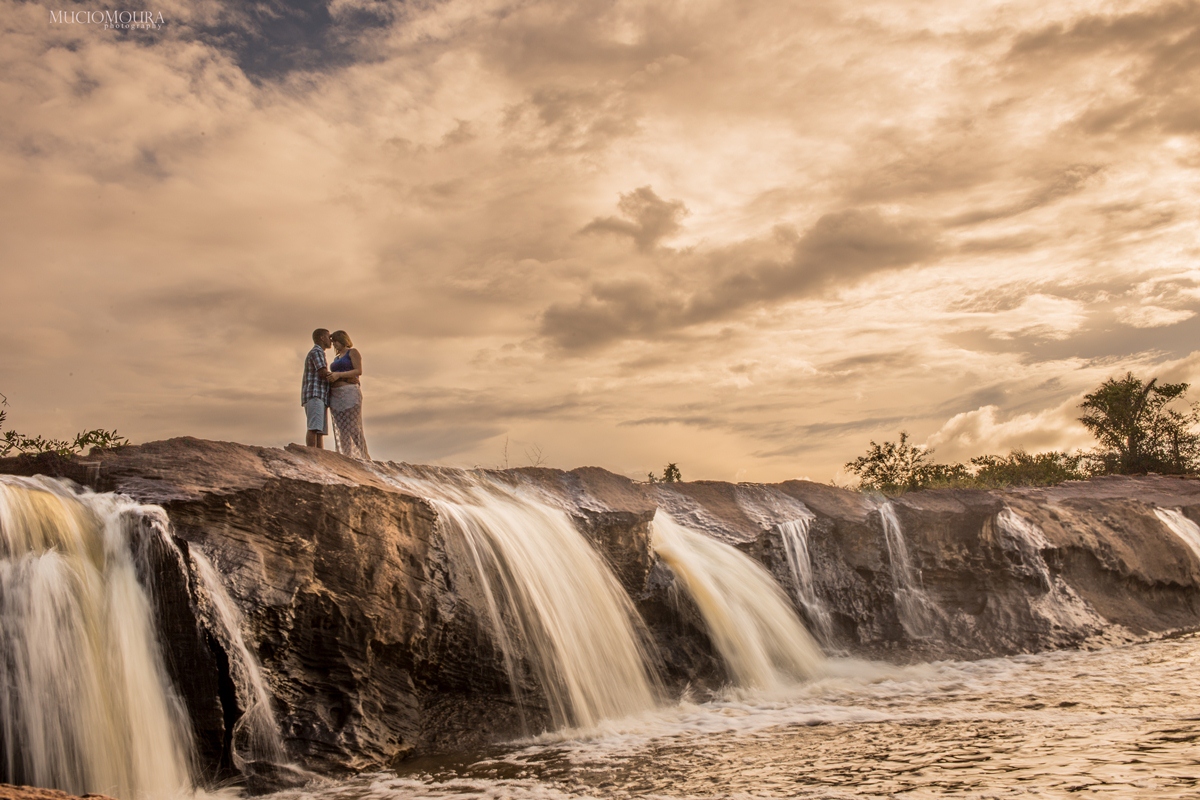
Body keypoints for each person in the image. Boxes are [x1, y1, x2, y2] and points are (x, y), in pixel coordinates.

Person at [326, 330, 370, 460]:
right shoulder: (336, 358)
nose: (335, 345)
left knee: (353, 426)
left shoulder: (352, 352)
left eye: (336, 342)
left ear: (343, 340)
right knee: (342, 429)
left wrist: (338, 375)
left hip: (349, 391)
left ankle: (364, 455)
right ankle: (346, 456)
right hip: (336, 394)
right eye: (333, 342)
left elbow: (358, 370)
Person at [302, 328, 332, 448]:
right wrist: (339, 377)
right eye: (328, 337)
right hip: (315, 394)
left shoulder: (319, 352)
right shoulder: (317, 352)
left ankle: (320, 455)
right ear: (322, 338)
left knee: (319, 430)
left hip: (319, 395)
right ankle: (312, 454)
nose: (330, 340)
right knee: (314, 427)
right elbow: (322, 372)